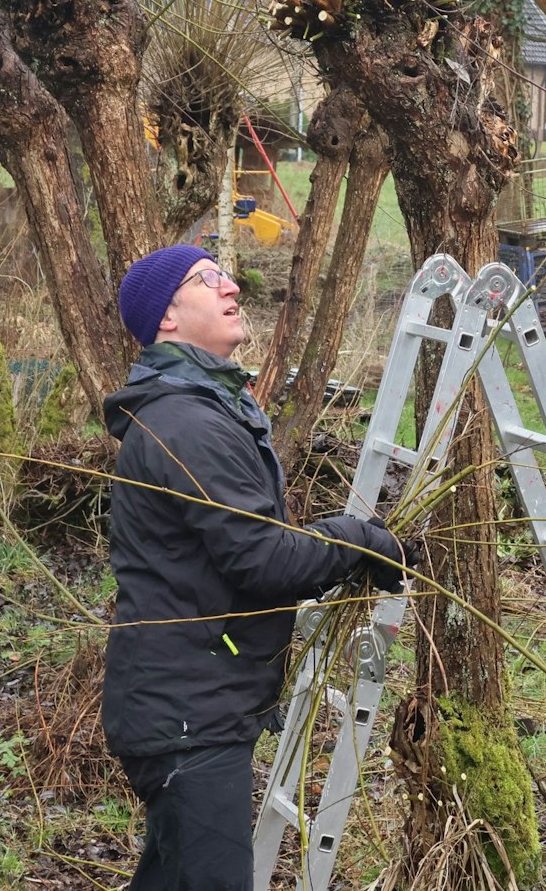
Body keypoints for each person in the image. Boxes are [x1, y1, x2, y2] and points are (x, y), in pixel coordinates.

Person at [102, 244, 408, 891]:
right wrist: (358, 539)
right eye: (207, 279)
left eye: (224, 273)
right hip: (188, 718)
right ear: (167, 319)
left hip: (190, 706)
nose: (230, 285)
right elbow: (265, 559)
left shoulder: (198, 409)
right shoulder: (186, 425)